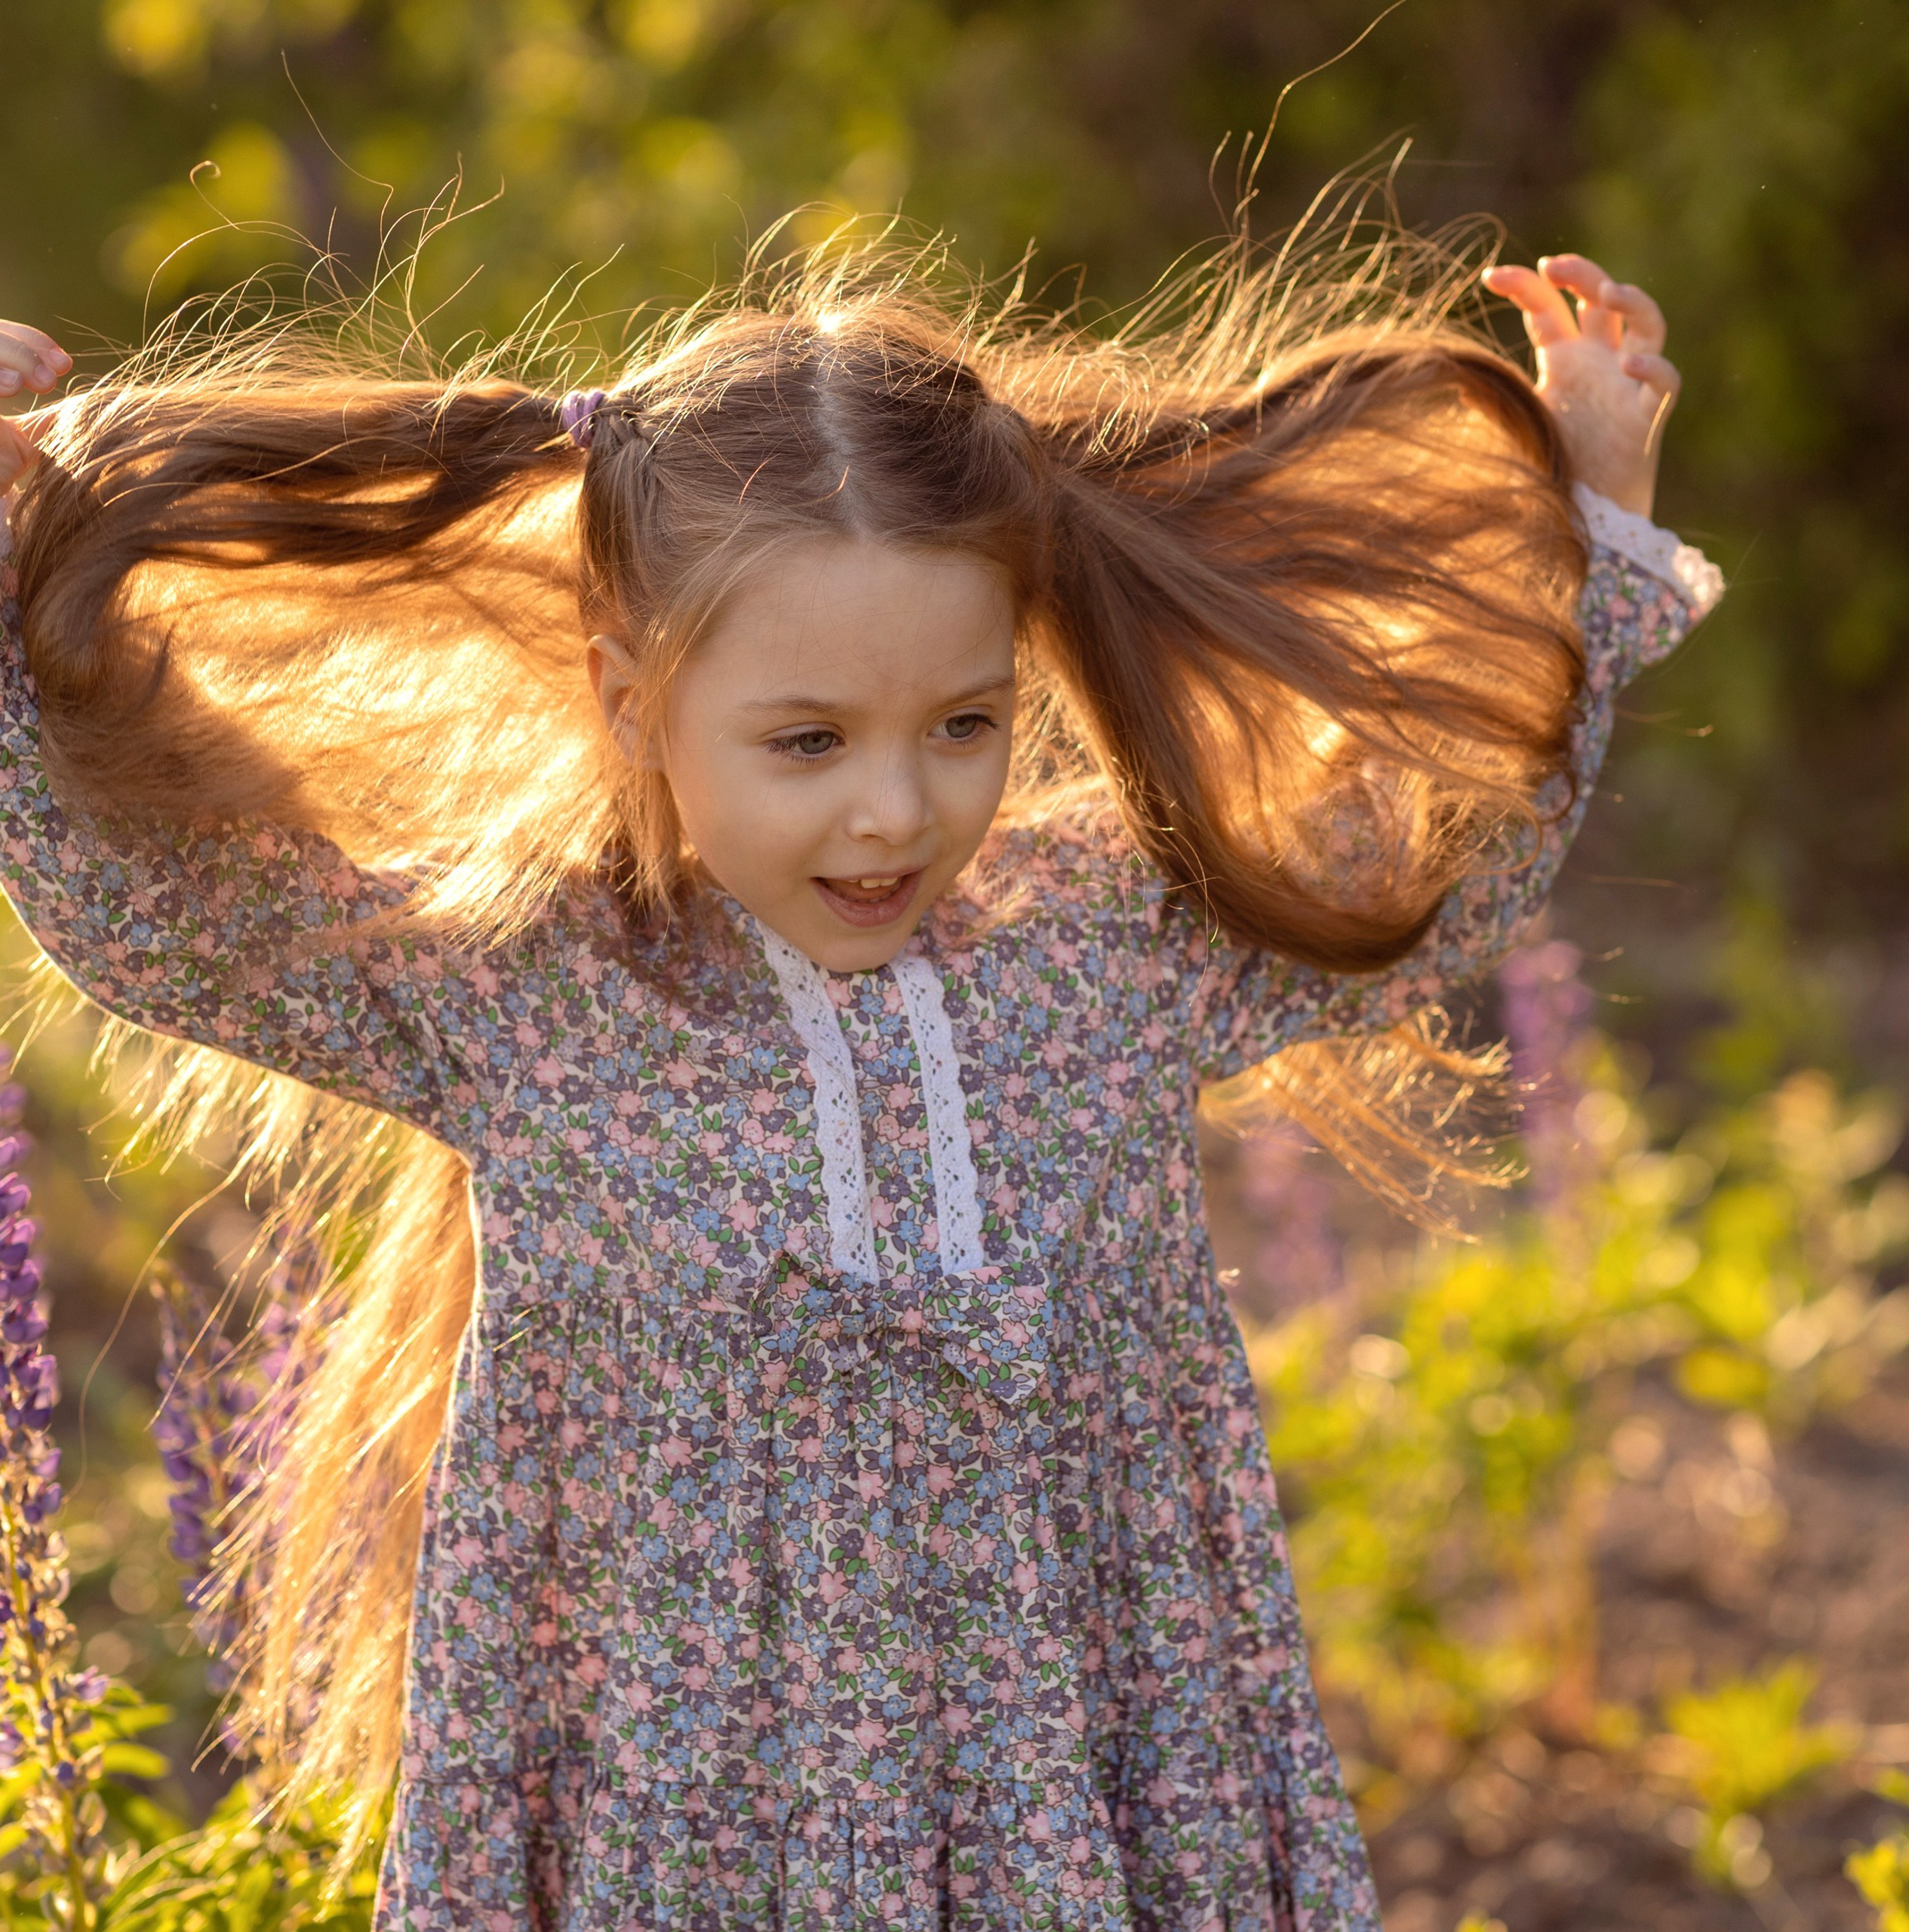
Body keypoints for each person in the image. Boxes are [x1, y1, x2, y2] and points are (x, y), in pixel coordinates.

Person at [0, 234, 1720, 1930]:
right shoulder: (522, 991)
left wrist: (1587, 515)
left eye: (962, 724)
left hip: (1090, 1805)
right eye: (808, 741)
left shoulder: (1101, 951)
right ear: (634, 700)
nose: (893, 810)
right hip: (695, 1835)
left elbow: (1423, 864)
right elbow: (167, 923)